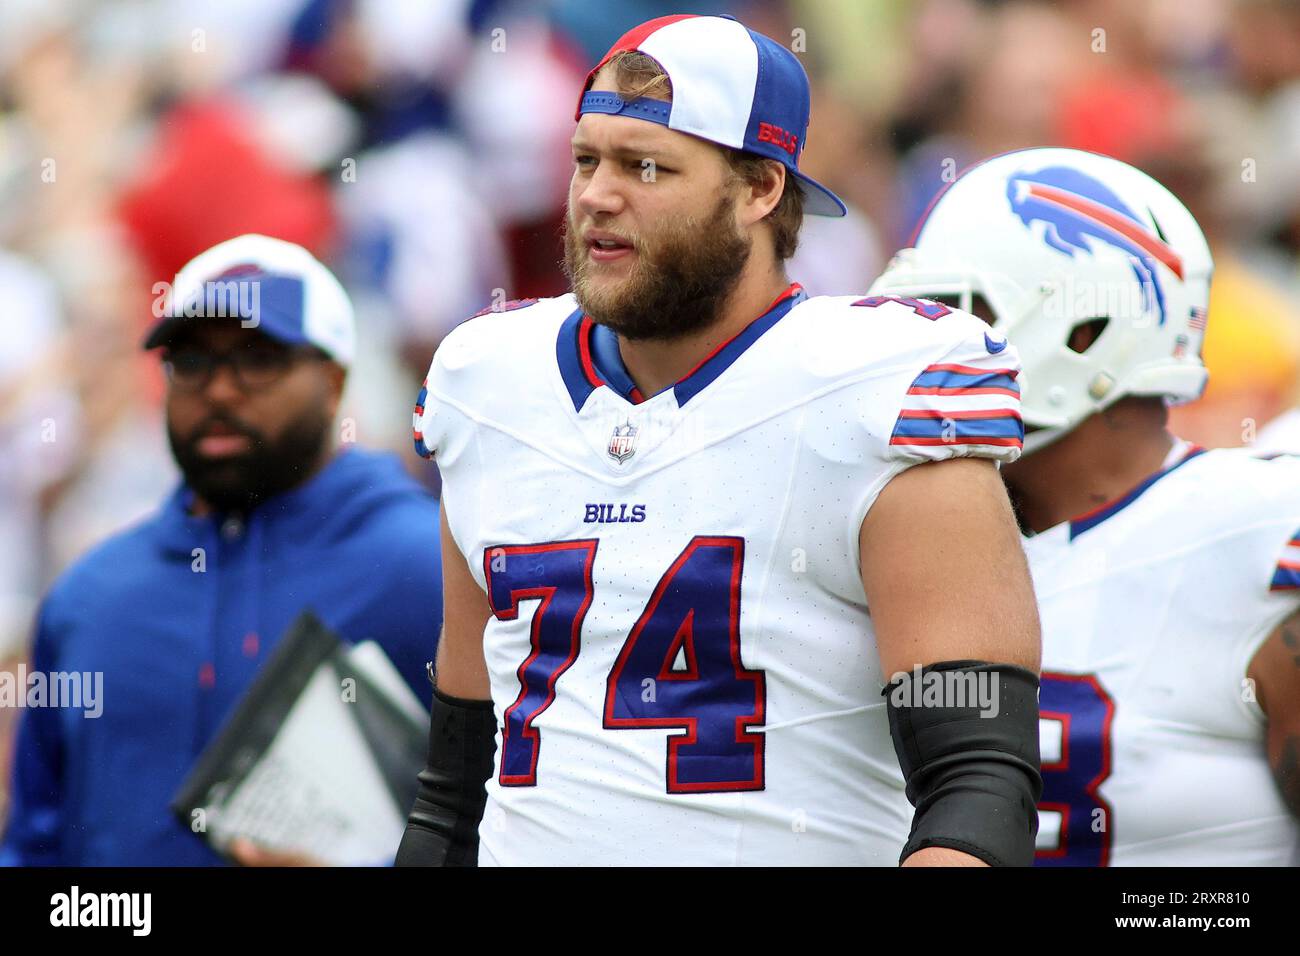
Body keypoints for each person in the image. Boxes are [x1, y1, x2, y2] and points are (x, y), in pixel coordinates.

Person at [398, 14, 1042, 867]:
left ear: (759, 190)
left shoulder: (877, 386)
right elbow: (453, 794)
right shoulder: (487, 382)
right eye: (586, 159)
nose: (596, 194)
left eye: (646, 165)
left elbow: (978, 786)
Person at [870, 146, 1300, 865]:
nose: (926, 348)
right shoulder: (890, 530)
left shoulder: (1255, 530)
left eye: (958, 315)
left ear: (1086, 331)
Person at [0, 234, 443, 866]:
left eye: (258, 358)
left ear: (333, 381)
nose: (220, 390)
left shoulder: (427, 568)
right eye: (192, 362)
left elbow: (514, 832)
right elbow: (36, 849)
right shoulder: (91, 598)